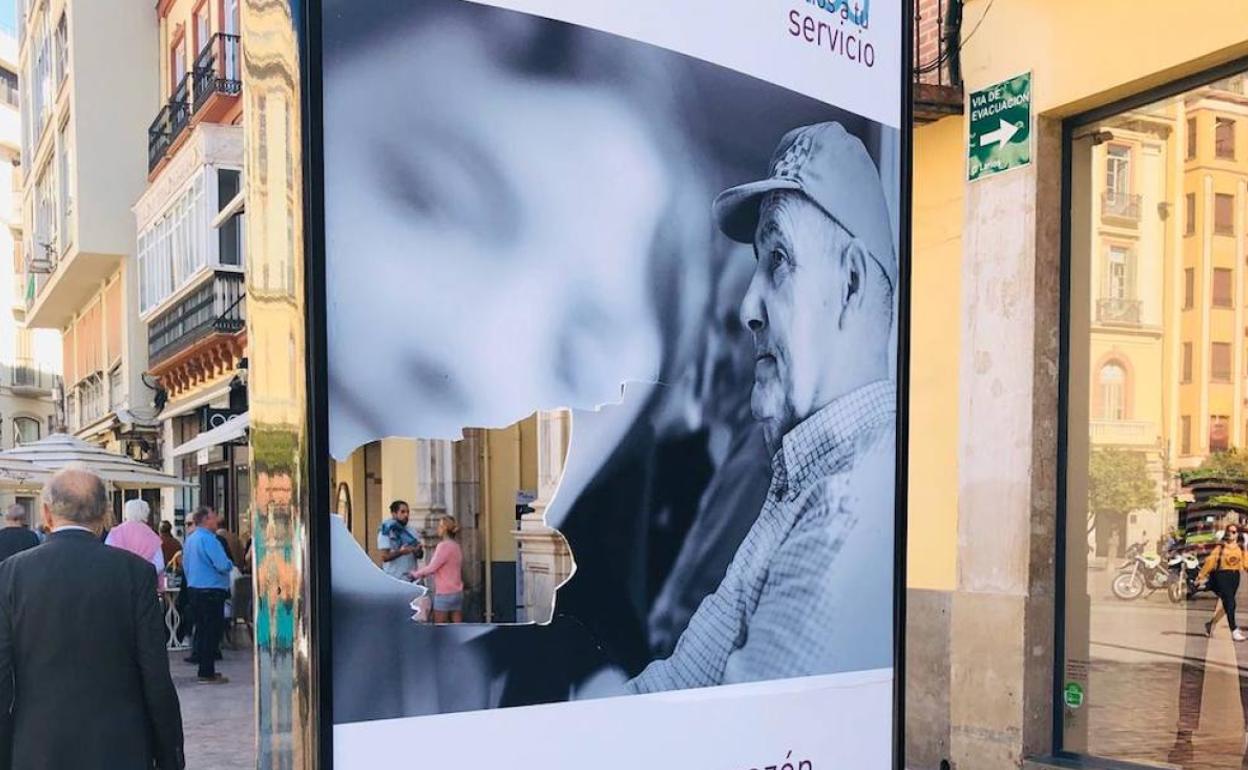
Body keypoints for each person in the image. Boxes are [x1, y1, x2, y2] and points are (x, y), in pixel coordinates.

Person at [630, 121, 897, 692]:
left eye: (778, 258)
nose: (749, 307)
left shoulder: (845, 507)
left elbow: (741, 729)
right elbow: (681, 679)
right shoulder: (802, 480)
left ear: (850, 284)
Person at [0, 466, 184, 769]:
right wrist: (169, 754)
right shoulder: (135, 572)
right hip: (120, 745)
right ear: (104, 516)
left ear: (46, 514)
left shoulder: (11, 574)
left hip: (38, 745)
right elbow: (155, 672)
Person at [183, 505, 234, 683]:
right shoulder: (210, 540)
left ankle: (205, 669)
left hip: (195, 589)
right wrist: (229, 565)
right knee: (212, 632)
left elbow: (186, 565)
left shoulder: (191, 539)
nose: (216, 520)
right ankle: (207, 672)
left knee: (202, 630)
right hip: (211, 590)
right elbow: (222, 564)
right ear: (205, 520)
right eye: (213, 517)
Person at [410, 515, 465, 623]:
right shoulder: (456, 546)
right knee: (458, 627)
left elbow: (432, 567)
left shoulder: (443, 546)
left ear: (444, 529)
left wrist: (415, 574)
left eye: (439, 526)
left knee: (439, 627)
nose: (437, 529)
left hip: (444, 593)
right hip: (457, 592)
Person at [1201, 522, 1248, 640]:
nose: (1231, 534)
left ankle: (1210, 624)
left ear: (1237, 534)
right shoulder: (1221, 547)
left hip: (1235, 577)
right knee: (1231, 603)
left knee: (1227, 604)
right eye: (1229, 531)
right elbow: (1210, 561)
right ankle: (1234, 630)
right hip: (1222, 576)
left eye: (1233, 532)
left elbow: (1246, 563)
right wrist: (1201, 575)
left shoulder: (1241, 547)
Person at [105, 499, 164, 574]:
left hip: (119, 577)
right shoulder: (152, 536)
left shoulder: (114, 533)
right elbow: (160, 565)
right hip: (144, 578)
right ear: (146, 513)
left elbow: (107, 558)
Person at [377, 500, 422, 581]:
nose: (406, 515)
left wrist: (417, 550)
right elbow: (384, 557)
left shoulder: (412, 531)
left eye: (408, 512)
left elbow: (420, 555)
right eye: (402, 512)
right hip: (394, 579)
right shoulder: (386, 531)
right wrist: (401, 552)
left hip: (411, 578)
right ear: (394, 514)